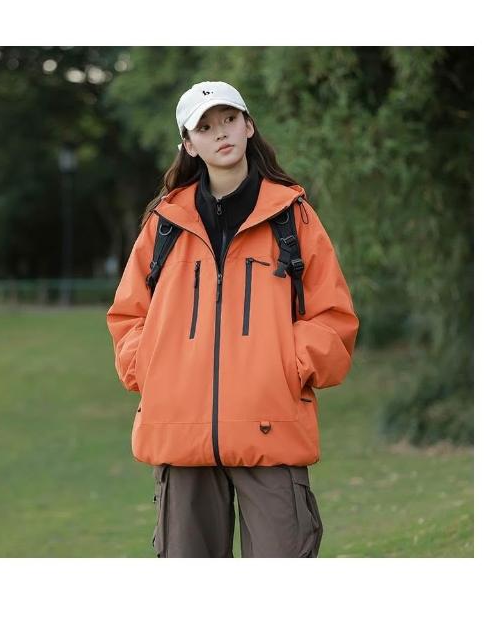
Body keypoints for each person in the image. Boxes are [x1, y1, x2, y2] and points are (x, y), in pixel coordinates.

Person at [106, 80, 359, 557]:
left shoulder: (293, 217)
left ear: (249, 126)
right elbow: (128, 315)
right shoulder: (164, 224)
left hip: (271, 427)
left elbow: (333, 316)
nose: (220, 132)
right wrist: (151, 369)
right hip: (179, 433)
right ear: (189, 145)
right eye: (204, 127)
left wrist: (285, 368)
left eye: (228, 119)